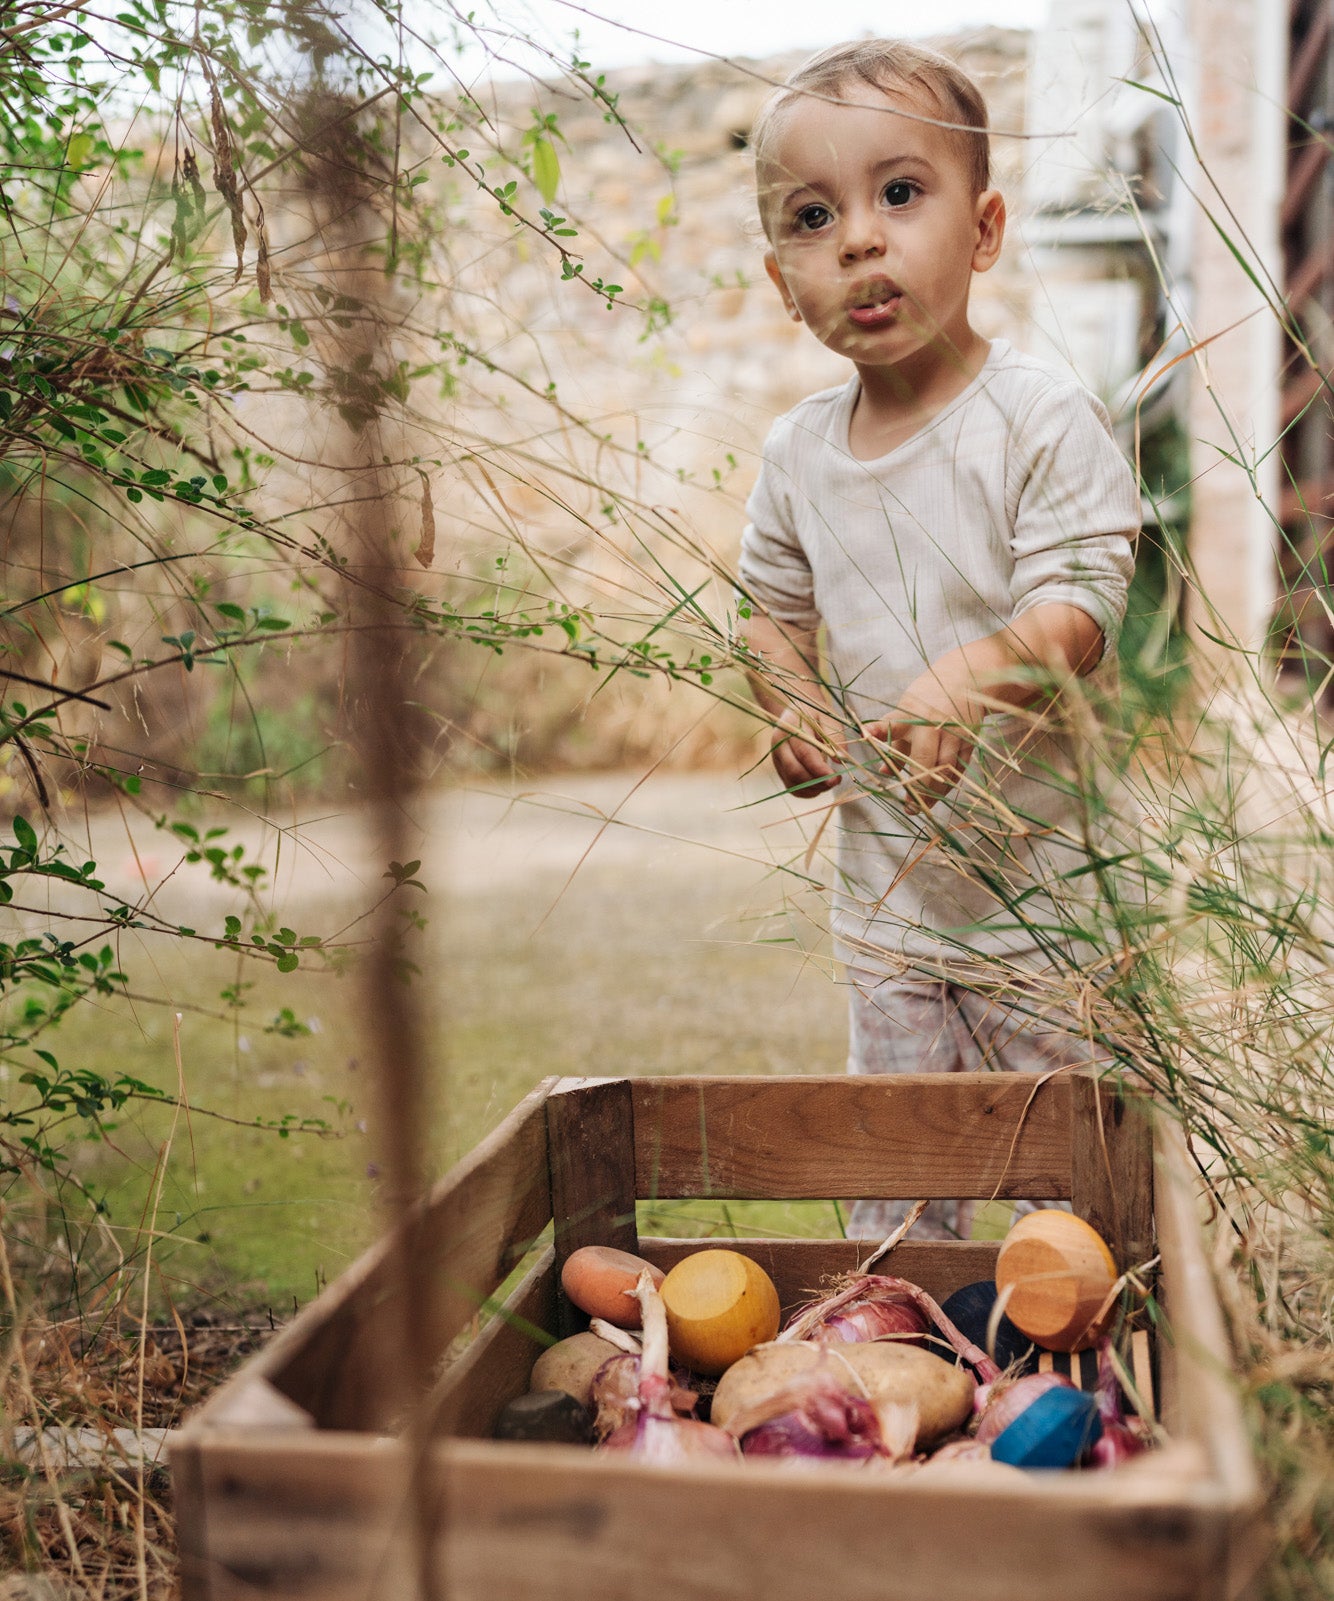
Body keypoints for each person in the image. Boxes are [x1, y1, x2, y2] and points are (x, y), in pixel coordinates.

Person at [737, 40, 1140, 1239]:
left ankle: (1089, 1377)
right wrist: (790, 701)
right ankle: (904, 1362)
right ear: (781, 279)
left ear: (984, 228)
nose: (859, 239)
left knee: (1064, 1187)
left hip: (1044, 904)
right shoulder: (797, 456)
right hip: (889, 910)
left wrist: (973, 674)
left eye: (898, 194)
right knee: (901, 1181)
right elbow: (767, 612)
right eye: (815, 217)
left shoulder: (1033, 416)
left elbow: (1077, 607)